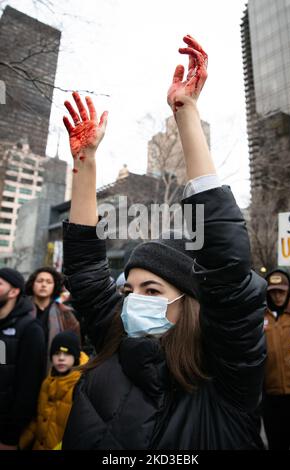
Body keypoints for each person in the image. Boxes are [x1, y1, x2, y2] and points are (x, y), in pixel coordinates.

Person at [61, 35, 267, 450]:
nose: (134, 300)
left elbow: (227, 266)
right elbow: (85, 273)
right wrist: (85, 168)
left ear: (189, 300)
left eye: (152, 290)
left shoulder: (227, 377)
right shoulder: (117, 340)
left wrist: (186, 114)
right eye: (129, 289)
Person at [19, 331, 88, 450]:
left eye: (67, 354)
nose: (61, 358)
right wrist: (20, 443)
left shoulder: (81, 387)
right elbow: (39, 418)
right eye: (57, 354)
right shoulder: (47, 382)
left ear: (76, 357)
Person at [0, 268, 45, 450]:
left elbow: (29, 388)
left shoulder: (31, 330)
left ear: (14, 292)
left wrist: (10, 437)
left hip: (6, 433)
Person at [262, 269, 290, 450]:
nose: (277, 296)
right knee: (277, 445)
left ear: (288, 291)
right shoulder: (260, 317)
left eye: (281, 291)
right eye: (273, 292)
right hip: (272, 399)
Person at [25, 267, 80, 372]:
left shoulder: (65, 314)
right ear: (32, 284)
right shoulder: (21, 311)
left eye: (49, 282)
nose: (44, 285)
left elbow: (75, 347)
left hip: (54, 372)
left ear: (55, 286)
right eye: (40, 281)